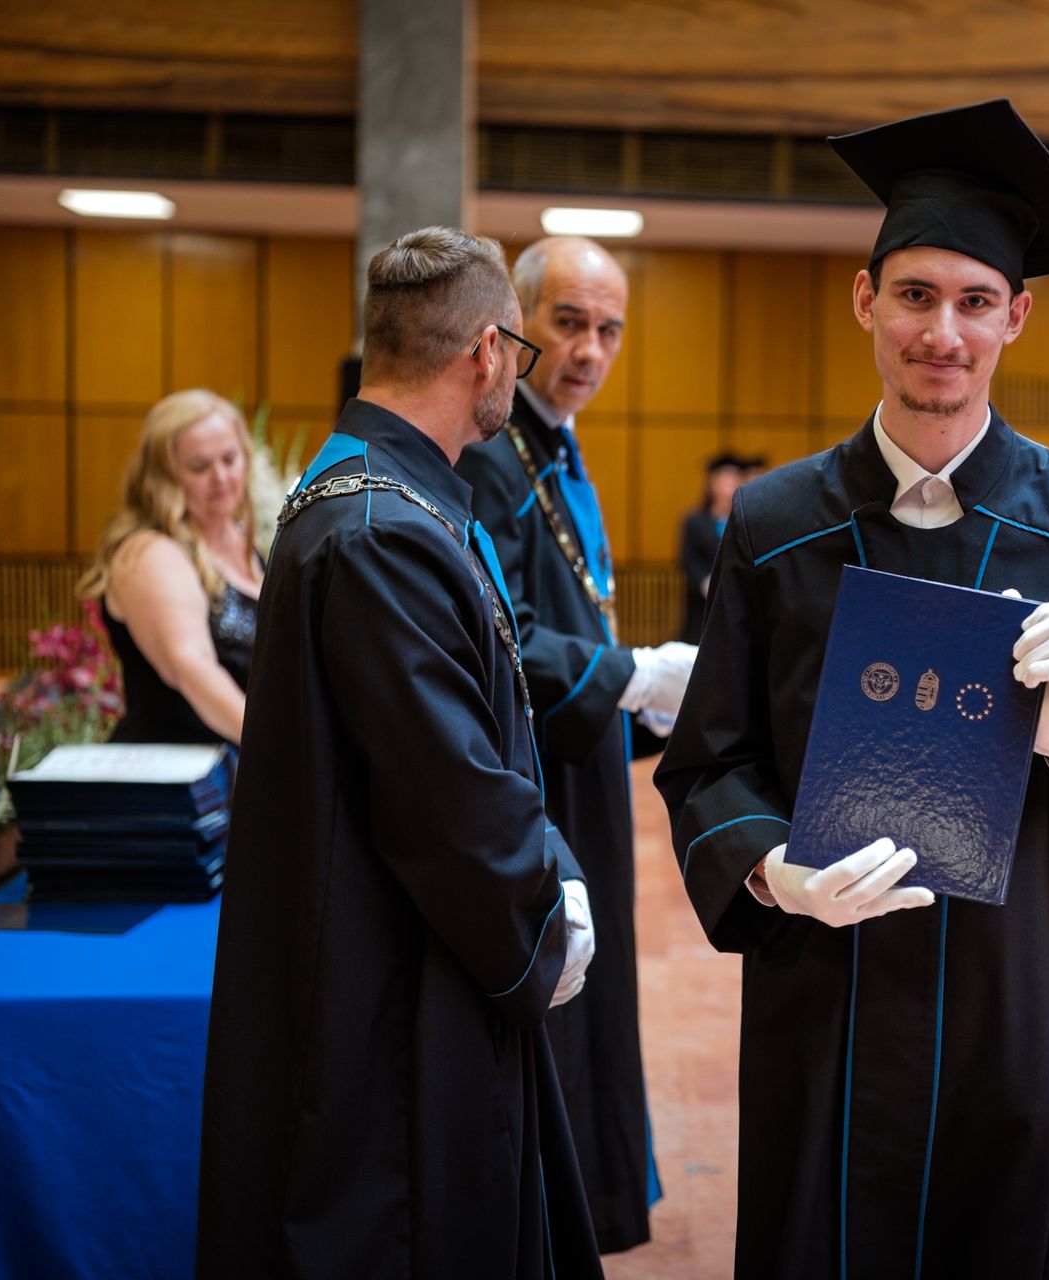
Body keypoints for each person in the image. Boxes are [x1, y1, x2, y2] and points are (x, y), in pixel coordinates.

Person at [654, 99, 1049, 1280]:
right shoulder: (773, 525)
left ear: (1017, 315)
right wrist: (772, 870)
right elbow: (707, 761)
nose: (941, 331)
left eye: (973, 300)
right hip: (830, 992)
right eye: (915, 294)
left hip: (1025, 994)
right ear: (866, 300)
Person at [198, 227, 602, 1278]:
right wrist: (547, 907)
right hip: (391, 984)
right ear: (487, 350)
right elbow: (447, 795)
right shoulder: (384, 528)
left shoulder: (373, 490)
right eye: (520, 348)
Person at [456, 233, 691, 1254]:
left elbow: (575, 614)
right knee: (559, 996)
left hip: (583, 765)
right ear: (516, 325)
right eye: (569, 323)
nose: (591, 350)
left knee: (599, 998)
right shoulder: (491, 453)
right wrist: (628, 674)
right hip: (531, 779)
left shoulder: (558, 445)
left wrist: (641, 703)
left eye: (610, 329)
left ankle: (593, 1201)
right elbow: (494, 633)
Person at [78, 389, 264, 746]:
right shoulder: (151, 552)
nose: (220, 477)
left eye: (230, 459)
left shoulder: (247, 545)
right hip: (177, 771)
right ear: (163, 476)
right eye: (200, 467)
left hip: (240, 760)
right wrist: (277, 751)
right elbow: (191, 667)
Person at [680, 452, 747, 644]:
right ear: (712, 483)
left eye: (734, 479)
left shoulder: (744, 521)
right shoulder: (696, 521)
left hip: (738, 600)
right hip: (704, 601)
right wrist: (706, 583)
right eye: (725, 479)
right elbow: (689, 558)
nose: (730, 484)